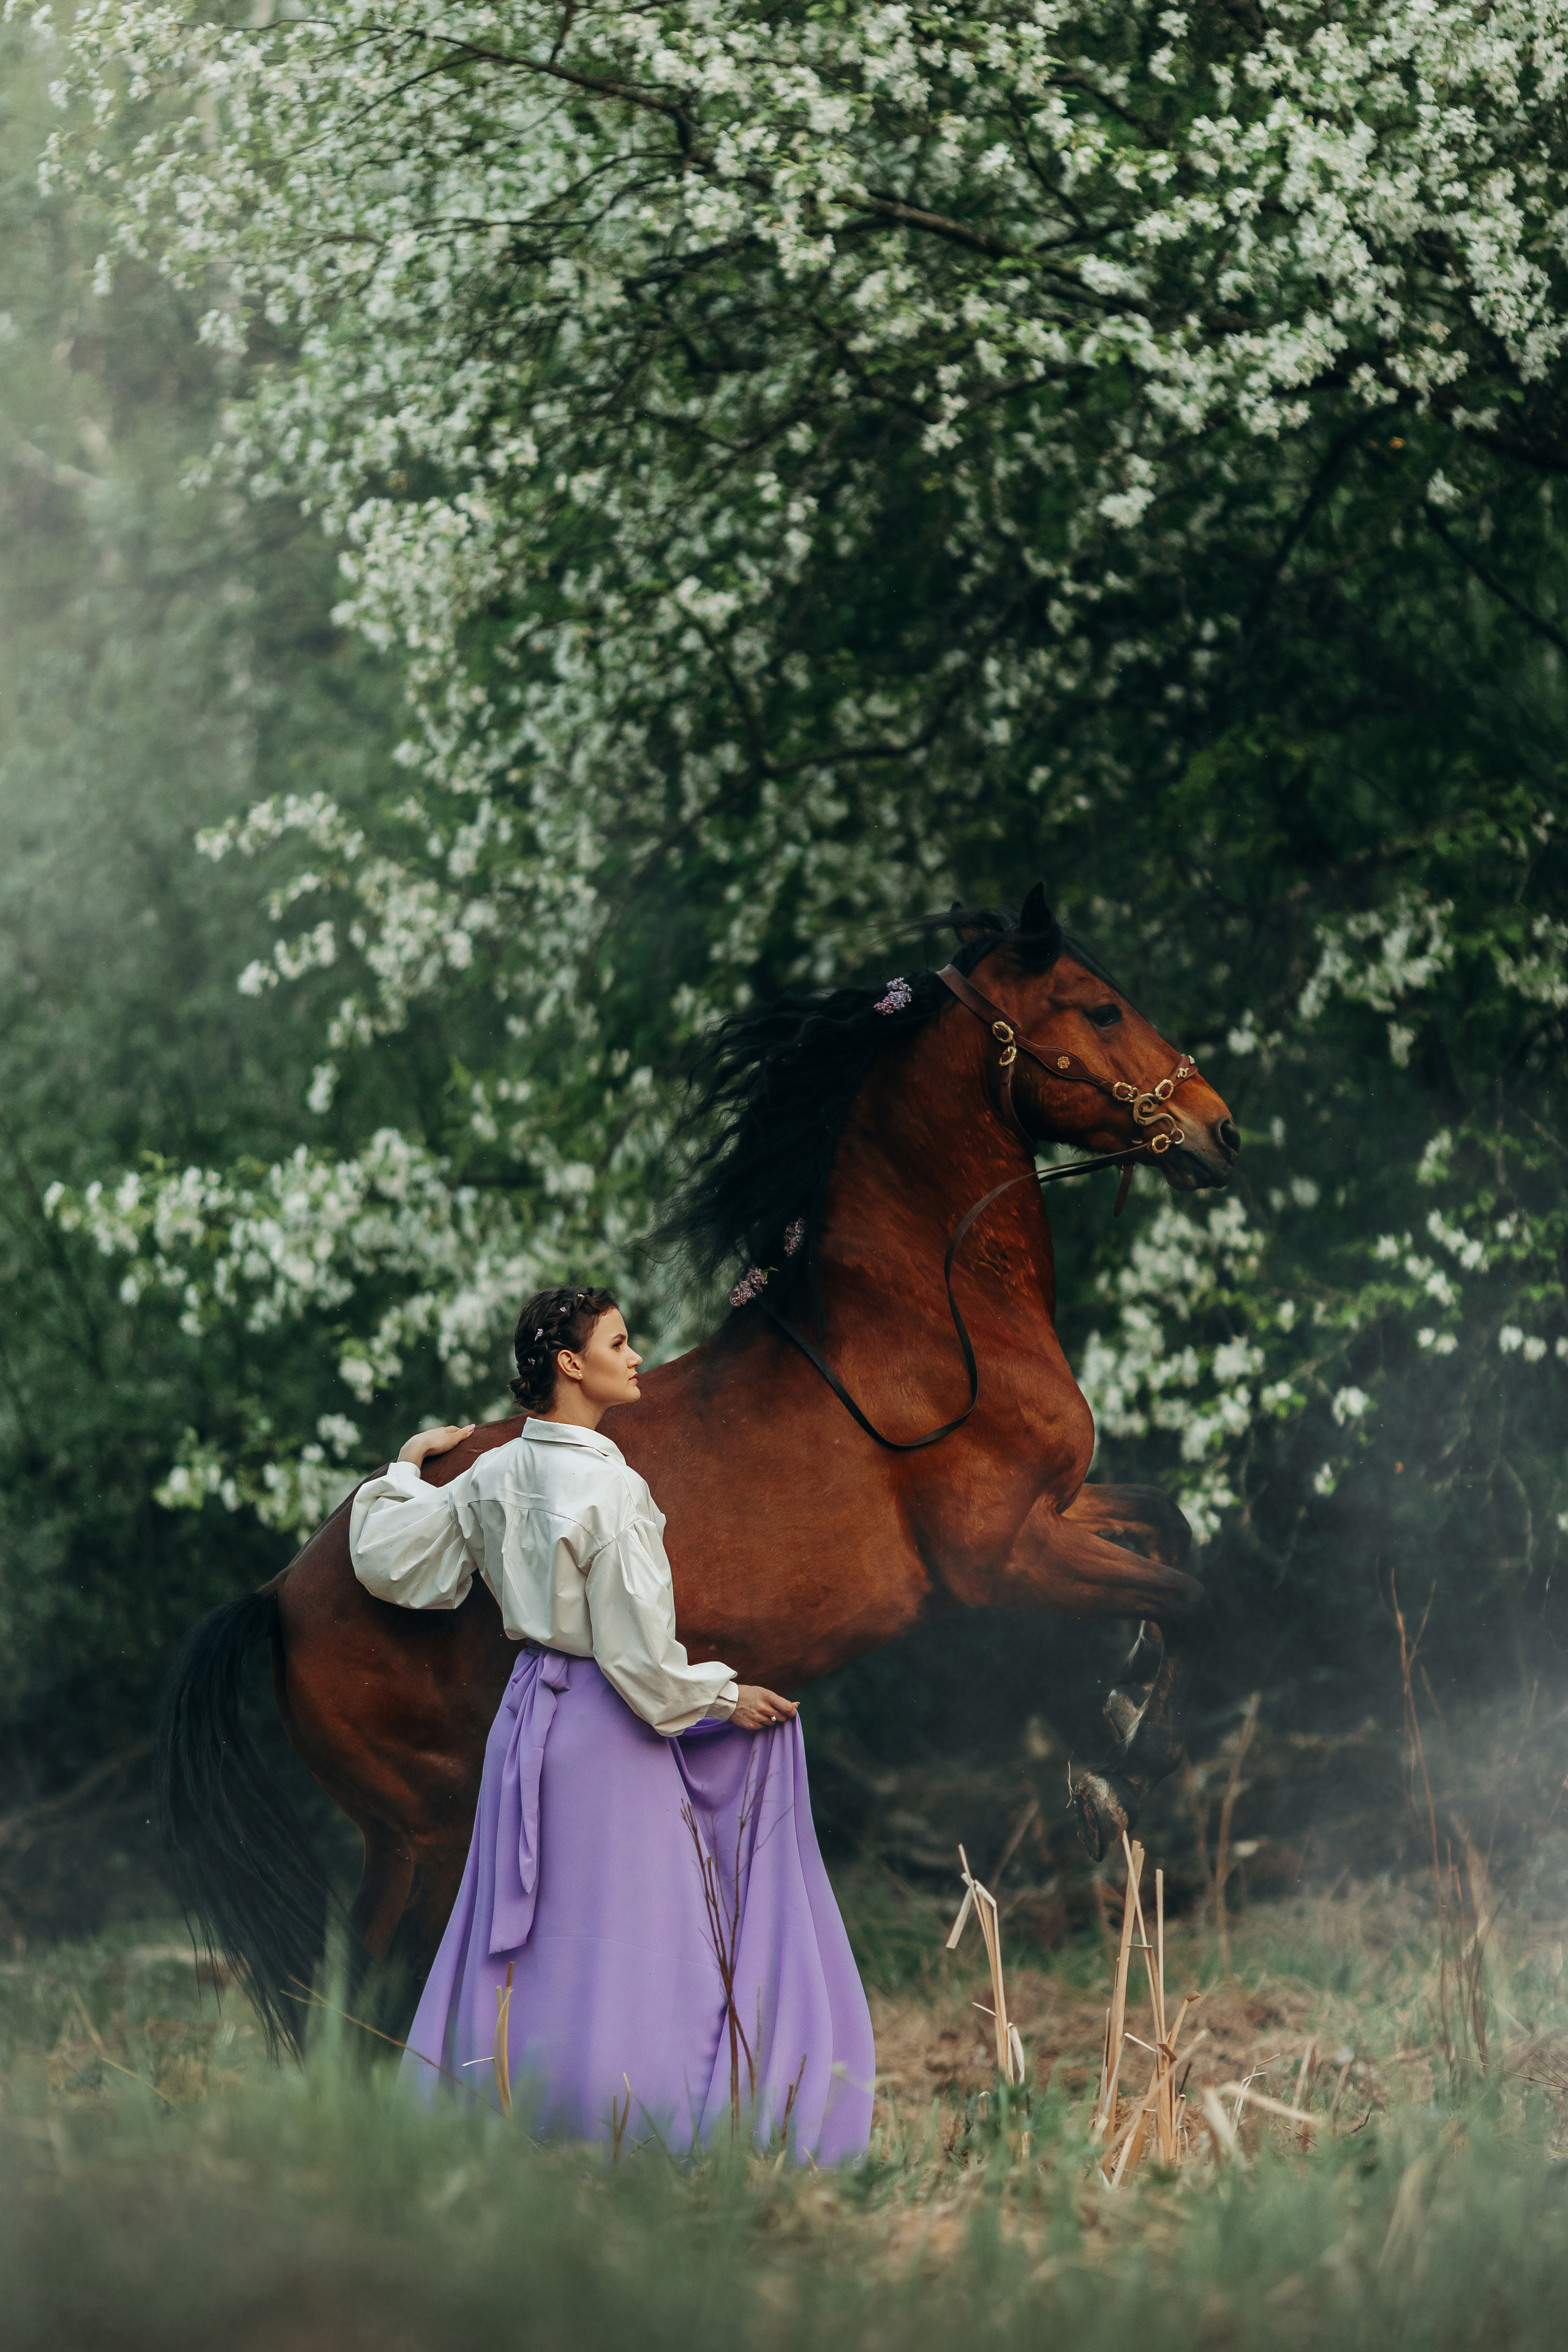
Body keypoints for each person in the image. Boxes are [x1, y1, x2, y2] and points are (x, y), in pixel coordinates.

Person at [348, 1284, 875, 2160]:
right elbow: (639, 1661)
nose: (636, 1358)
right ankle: (646, 2123)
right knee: (640, 1937)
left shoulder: (493, 1470)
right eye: (620, 1343)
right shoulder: (615, 1491)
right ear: (570, 1364)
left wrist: (405, 1465)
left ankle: (519, 2111)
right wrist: (722, 1697)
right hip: (608, 1724)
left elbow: (392, 1559)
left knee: (537, 1939)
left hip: (527, 1723)